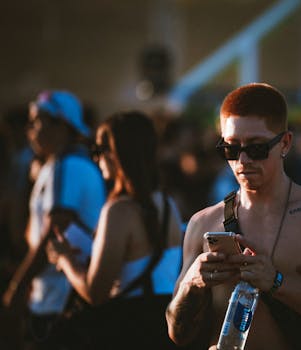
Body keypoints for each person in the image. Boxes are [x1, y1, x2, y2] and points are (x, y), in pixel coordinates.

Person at [166, 83, 301, 350]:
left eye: (257, 148)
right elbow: (177, 332)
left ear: (285, 143)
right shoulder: (203, 223)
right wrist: (192, 283)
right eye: (231, 149)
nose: (243, 160)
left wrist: (276, 282)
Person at [47, 110, 184, 349]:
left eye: (100, 150)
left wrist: (65, 258)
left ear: (120, 154)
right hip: (165, 326)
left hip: (127, 329)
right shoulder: (167, 203)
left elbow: (95, 293)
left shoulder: (119, 211)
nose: (96, 158)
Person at [2, 90, 107, 349]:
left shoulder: (68, 166)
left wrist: (18, 285)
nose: (29, 129)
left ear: (61, 125)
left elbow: (56, 228)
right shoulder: (59, 165)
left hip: (62, 298)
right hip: (54, 295)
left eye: (36, 121)